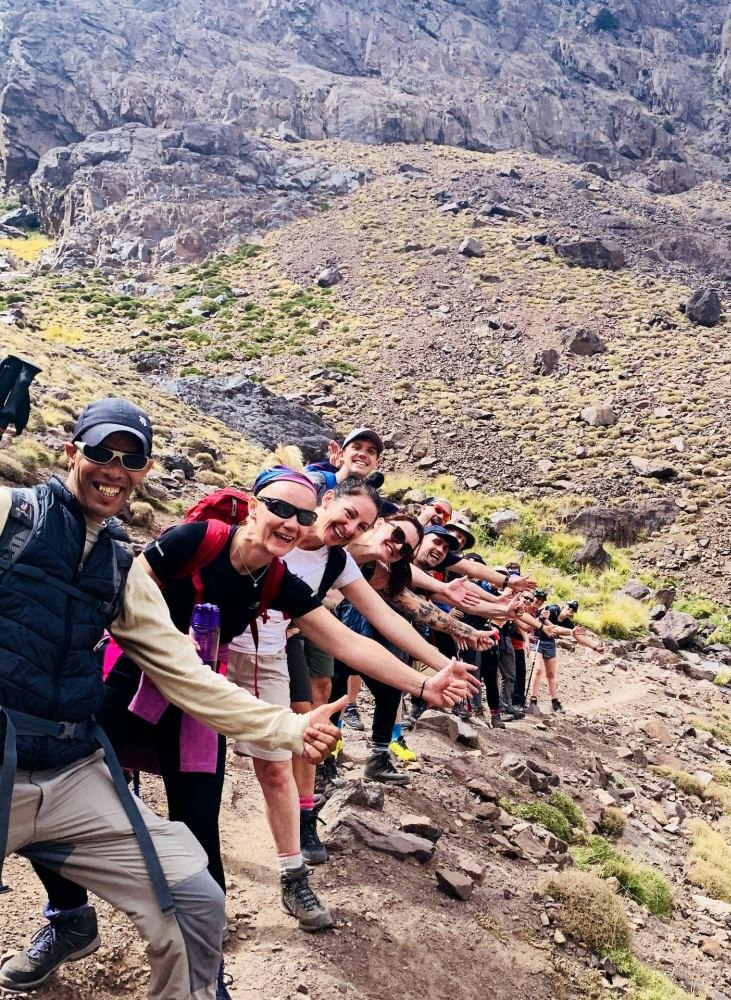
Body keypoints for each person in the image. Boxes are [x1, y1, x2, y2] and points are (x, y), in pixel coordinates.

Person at [8, 434, 475, 998]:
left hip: (200, 699)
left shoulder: (278, 580)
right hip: (126, 684)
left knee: (200, 829)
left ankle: (206, 973)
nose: (290, 521)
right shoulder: (196, 539)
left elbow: (352, 638)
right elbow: (124, 594)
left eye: (300, 516)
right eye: (279, 507)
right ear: (253, 503)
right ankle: (68, 917)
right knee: (60, 788)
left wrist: (425, 681)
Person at [0, 398, 347, 1000]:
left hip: (67, 768)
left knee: (195, 896)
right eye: (101, 452)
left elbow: (185, 672)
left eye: (130, 459)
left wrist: (288, 730)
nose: (114, 467)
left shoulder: (119, 563)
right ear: (71, 452)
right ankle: (67, 919)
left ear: (144, 471)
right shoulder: (11, 514)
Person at [223, 474, 380, 928]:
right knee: (199, 768)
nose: (351, 527)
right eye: (349, 513)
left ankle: (293, 877)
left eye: (362, 525)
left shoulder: (336, 562)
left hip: (269, 654)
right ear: (327, 498)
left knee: (275, 766)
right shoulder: (270, 528)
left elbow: (379, 615)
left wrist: (426, 678)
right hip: (215, 651)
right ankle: (192, 872)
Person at [336, 514, 495, 784]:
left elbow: (421, 609)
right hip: (346, 628)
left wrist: (473, 630)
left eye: (406, 546)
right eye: (397, 537)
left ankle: (378, 755)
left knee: (389, 691)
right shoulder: (352, 554)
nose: (399, 547)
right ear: (378, 523)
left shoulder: (386, 571)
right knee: (334, 685)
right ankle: (327, 758)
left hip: (390, 635)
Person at [305, 427, 384, 733]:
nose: (363, 454)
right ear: (340, 451)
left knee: (320, 686)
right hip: (292, 599)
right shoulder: (315, 482)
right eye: (358, 447)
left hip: (317, 602)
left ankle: (318, 762)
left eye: (371, 451)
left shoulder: (371, 506)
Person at [527, 599, 602, 713]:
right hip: (537, 640)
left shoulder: (568, 623)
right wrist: (570, 631)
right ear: (564, 606)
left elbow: (578, 636)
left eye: (572, 611)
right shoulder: (552, 610)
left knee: (551, 674)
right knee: (537, 670)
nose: (569, 611)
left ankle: (555, 701)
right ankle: (533, 700)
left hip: (550, 644)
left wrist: (594, 647)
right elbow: (552, 627)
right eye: (568, 608)